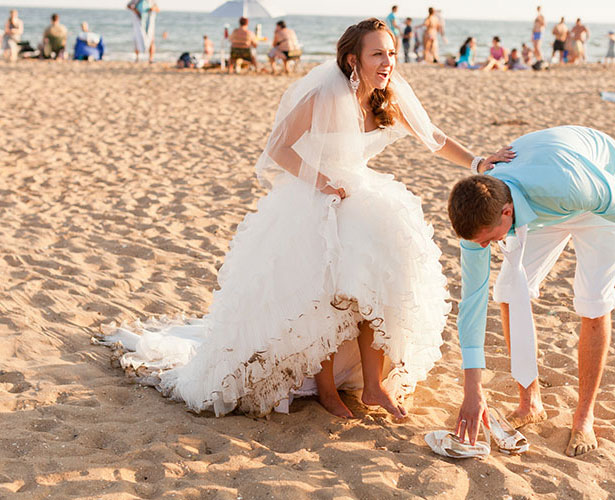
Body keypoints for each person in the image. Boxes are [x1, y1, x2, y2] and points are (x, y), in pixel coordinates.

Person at [97, 18, 514, 421]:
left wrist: (479, 161)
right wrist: (322, 182)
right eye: (377, 55)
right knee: (328, 290)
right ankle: (327, 388)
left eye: (391, 53)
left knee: (379, 278)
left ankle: (373, 383)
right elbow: (277, 147)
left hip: (362, 195)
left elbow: (433, 136)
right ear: (354, 60)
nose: (388, 62)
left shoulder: (389, 96)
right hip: (316, 196)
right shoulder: (327, 94)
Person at [447, 125, 615, 458]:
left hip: (596, 192)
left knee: (592, 300)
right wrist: (472, 389)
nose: (487, 247)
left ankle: (584, 417)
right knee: (506, 290)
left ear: (506, 212)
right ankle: (530, 403)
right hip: (542, 206)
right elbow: (473, 301)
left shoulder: (573, 186)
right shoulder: (480, 220)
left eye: (490, 239)